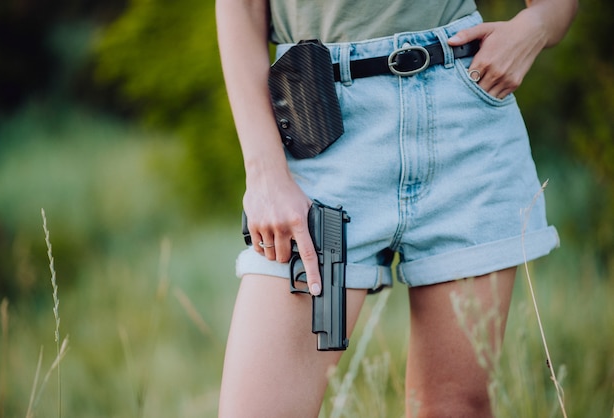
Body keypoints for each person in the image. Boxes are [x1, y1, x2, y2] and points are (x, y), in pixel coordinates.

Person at [215, 0, 577, 416]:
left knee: (453, 408)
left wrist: (534, 27)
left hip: (463, 115)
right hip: (316, 123)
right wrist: (264, 173)